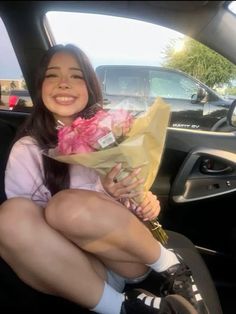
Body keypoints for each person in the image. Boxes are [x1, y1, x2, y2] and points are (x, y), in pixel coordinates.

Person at [0, 44, 208, 314]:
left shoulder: (113, 135)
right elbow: (24, 230)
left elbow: (136, 198)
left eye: (76, 76)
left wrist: (133, 198)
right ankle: (124, 308)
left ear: (90, 86)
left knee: (66, 208)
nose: (64, 84)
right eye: (52, 75)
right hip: (68, 269)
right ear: (40, 85)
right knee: (9, 216)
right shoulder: (27, 149)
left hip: (122, 257)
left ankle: (174, 266)